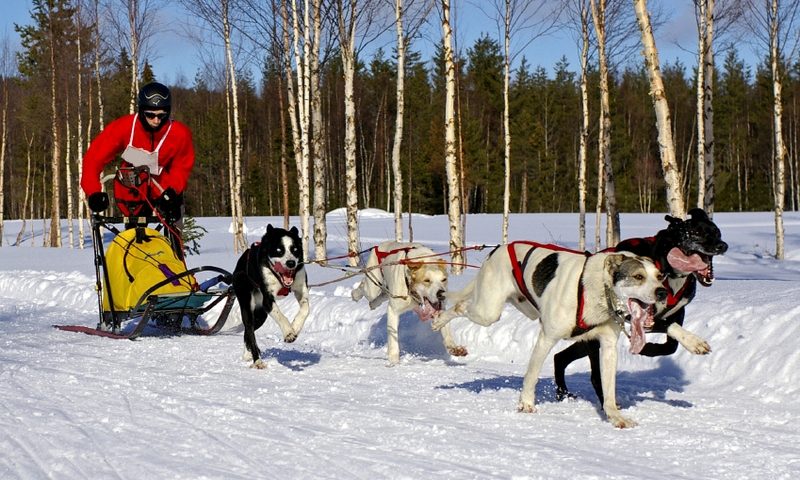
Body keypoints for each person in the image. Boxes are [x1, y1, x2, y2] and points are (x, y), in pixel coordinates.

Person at [81, 82, 195, 258]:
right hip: (134, 189)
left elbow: (182, 166)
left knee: (174, 235)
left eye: (162, 115)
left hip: (165, 189)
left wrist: (173, 190)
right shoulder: (124, 127)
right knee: (136, 239)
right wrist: (93, 191)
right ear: (141, 110)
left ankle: (176, 273)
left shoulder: (179, 133)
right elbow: (94, 158)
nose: (156, 121)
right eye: (150, 115)